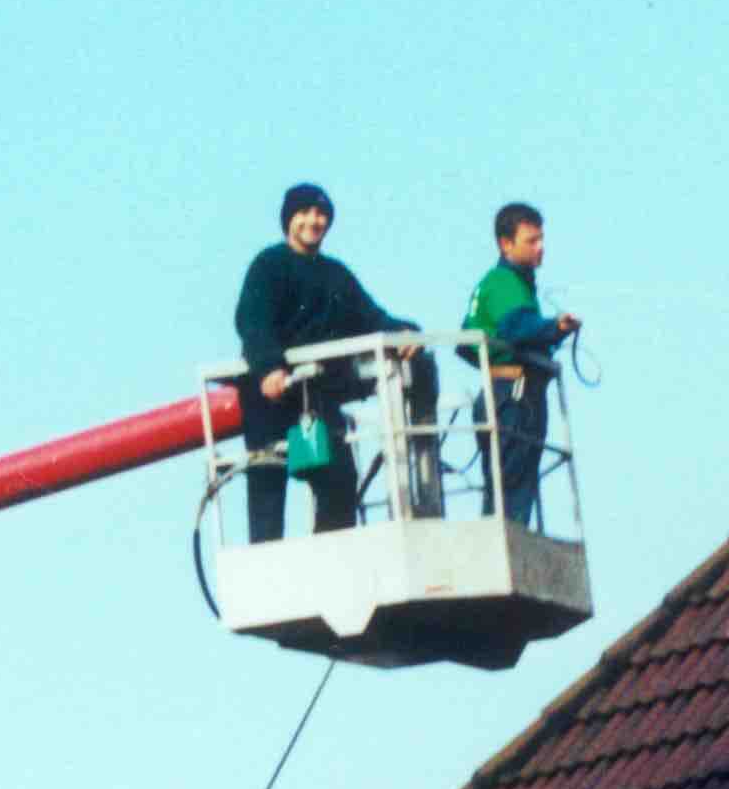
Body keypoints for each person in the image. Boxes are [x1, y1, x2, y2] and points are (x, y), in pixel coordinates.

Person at [233, 182, 422, 541]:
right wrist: (269, 368)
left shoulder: (335, 275)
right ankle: (267, 563)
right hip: (272, 400)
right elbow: (251, 321)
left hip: (316, 397)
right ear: (289, 219)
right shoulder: (269, 265)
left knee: (339, 479)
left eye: (321, 214)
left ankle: (331, 552)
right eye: (304, 212)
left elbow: (370, 316)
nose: (313, 221)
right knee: (268, 480)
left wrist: (404, 332)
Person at [462, 202, 580, 530]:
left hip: (512, 394)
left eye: (541, 239)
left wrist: (549, 334)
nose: (540, 247)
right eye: (531, 240)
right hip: (512, 397)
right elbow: (516, 326)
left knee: (510, 489)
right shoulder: (503, 282)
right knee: (511, 493)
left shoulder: (510, 283)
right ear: (506, 243)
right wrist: (554, 327)